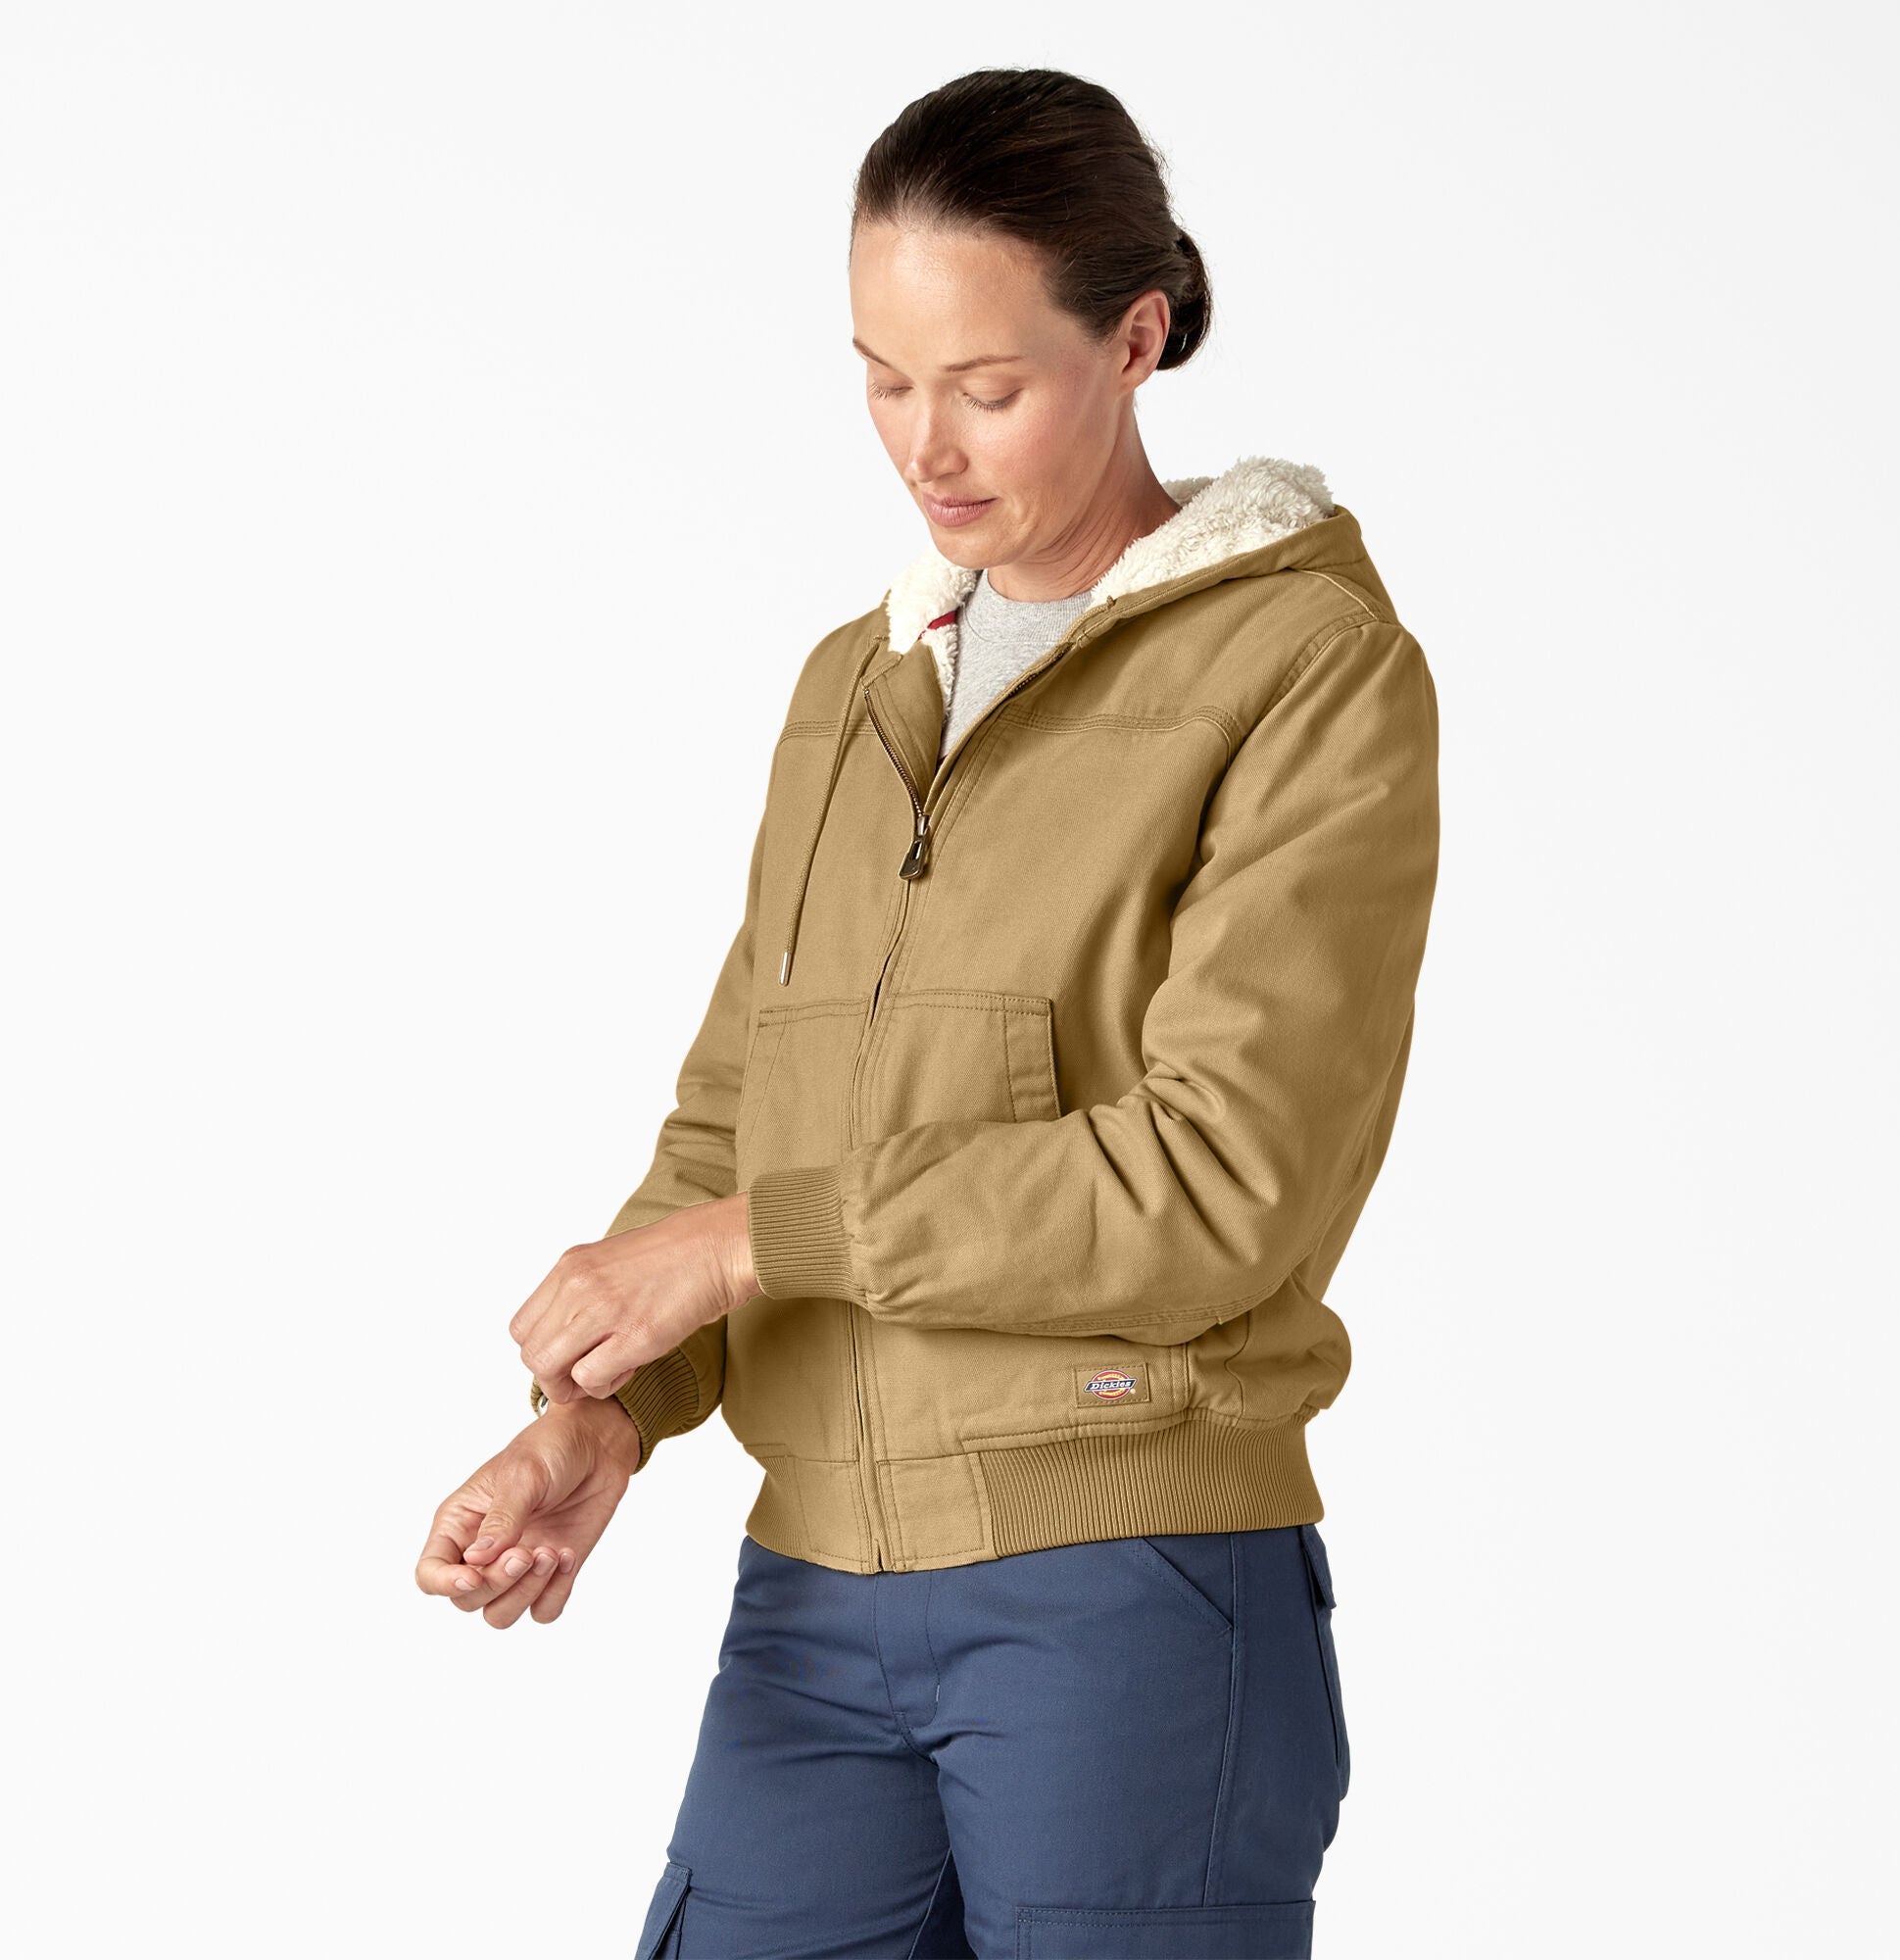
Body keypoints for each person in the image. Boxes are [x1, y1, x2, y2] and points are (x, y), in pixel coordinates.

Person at [414, 66, 1440, 1960]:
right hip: (816, 1586)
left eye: (985, 386)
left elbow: (1222, 1182)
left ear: (1136, 339)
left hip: (1128, 1583)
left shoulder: (1307, 669)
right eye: (883, 380)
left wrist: (756, 1243)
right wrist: (605, 1420)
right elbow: (738, 1118)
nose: (927, 446)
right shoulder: (858, 684)